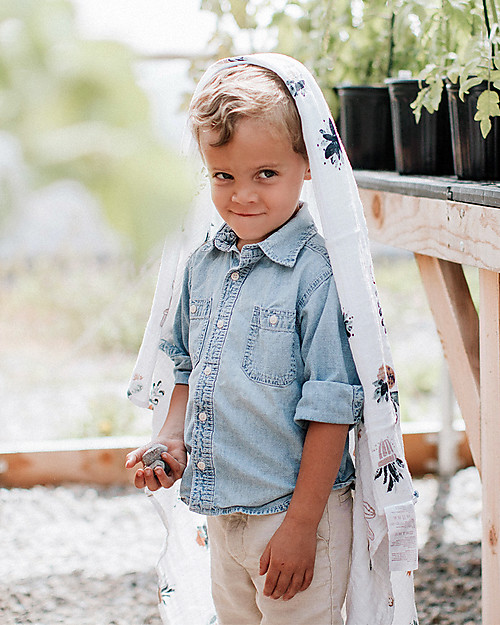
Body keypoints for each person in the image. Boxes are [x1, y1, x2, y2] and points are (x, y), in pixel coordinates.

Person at [126, 54, 418, 625]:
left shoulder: (318, 274)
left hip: (294, 519)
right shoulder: (204, 264)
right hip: (223, 515)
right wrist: (171, 439)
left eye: (266, 174)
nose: (243, 196)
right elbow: (186, 366)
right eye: (223, 176)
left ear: (306, 163)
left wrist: (302, 526)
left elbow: (334, 406)